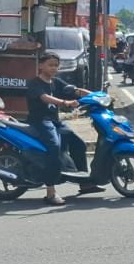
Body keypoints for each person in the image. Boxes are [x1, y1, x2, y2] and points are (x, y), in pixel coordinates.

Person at [26, 52, 100, 205]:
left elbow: (76, 90)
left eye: (56, 65)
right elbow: (45, 98)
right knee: (54, 147)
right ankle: (50, 192)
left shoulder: (56, 82)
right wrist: (64, 103)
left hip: (55, 122)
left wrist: (98, 97)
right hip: (40, 122)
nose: (54, 68)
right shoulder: (35, 84)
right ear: (41, 65)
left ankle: (84, 183)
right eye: (50, 65)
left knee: (78, 144)